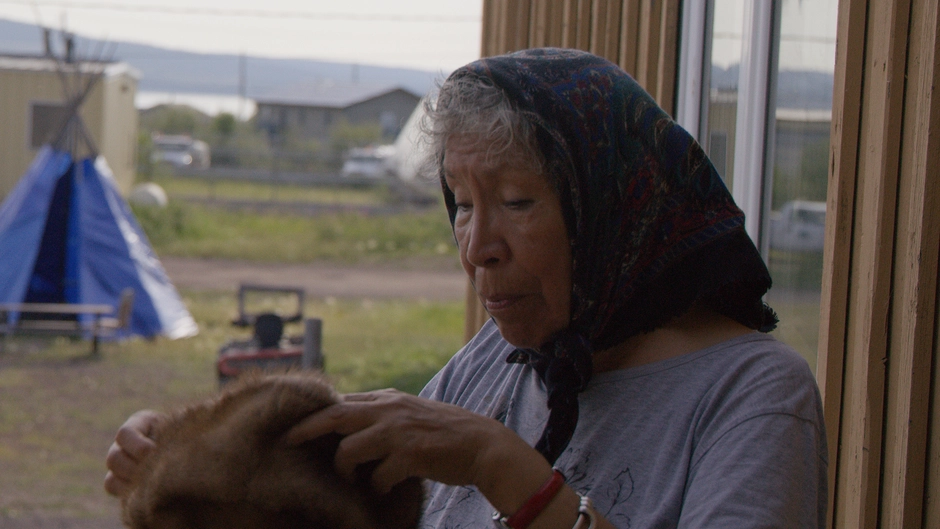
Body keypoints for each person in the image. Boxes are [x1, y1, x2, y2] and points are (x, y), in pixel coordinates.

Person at [106, 48, 827, 528]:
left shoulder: (752, 393)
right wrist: (183, 452)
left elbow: (486, 461)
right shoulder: (501, 360)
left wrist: (505, 468)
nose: (478, 247)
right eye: (461, 203)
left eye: (517, 202)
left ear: (613, 211)